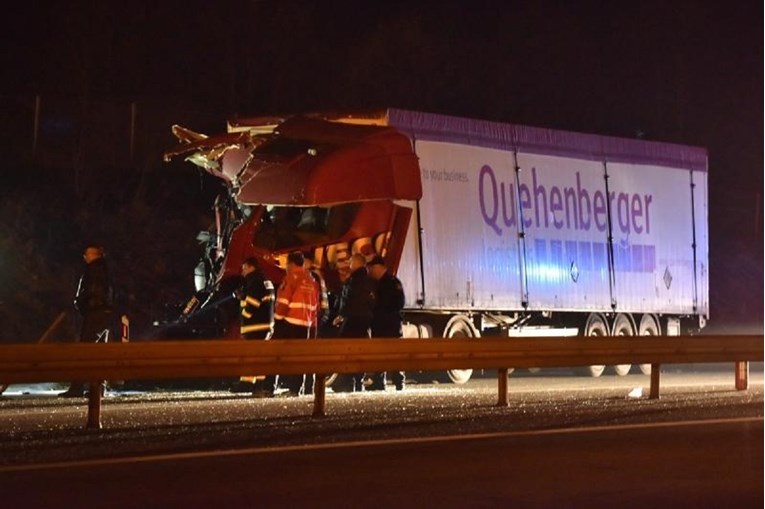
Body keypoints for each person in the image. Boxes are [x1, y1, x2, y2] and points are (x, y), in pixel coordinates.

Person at [60, 245, 114, 398]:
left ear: (93, 255)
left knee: (85, 350)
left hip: (95, 312)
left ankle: (77, 387)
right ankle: (98, 387)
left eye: (86, 254)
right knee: (98, 351)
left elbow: (91, 291)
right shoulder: (106, 270)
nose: (84, 257)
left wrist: (81, 304)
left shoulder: (93, 270)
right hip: (104, 313)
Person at [272, 251, 320, 396]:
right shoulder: (311, 280)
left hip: (289, 322)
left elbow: (283, 302)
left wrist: (277, 319)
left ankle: (269, 386)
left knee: (276, 355)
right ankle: (295, 389)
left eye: (286, 264)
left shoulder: (291, 278)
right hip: (305, 324)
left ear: (291, 264)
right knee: (299, 358)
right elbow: (316, 305)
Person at [231, 257, 275, 397]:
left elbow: (253, 304)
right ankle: (252, 383)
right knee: (258, 356)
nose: (242, 270)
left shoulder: (254, 281)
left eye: (244, 267)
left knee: (251, 356)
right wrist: (243, 296)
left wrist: (243, 317)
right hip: (265, 325)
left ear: (251, 267)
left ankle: (251, 384)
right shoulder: (265, 281)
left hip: (254, 325)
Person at [333, 253, 376, 392]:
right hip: (364, 319)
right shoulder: (369, 280)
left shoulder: (354, 280)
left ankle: (346, 381)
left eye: (351, 262)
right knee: (360, 351)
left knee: (347, 349)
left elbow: (349, 300)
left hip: (353, 320)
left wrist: (341, 315)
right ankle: (358, 381)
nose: (349, 265)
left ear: (357, 263)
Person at [368, 255, 406, 391]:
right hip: (394, 324)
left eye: (371, 268)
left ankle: (380, 381)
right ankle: (398, 380)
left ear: (378, 267)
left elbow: (380, 304)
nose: (370, 271)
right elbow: (401, 302)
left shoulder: (383, 284)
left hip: (383, 324)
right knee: (394, 353)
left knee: (381, 353)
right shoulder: (394, 282)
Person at [303, 251, 330, 395]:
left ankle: (308, 386)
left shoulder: (312, 276)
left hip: (314, 317)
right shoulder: (318, 275)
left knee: (308, 353)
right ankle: (309, 386)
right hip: (319, 315)